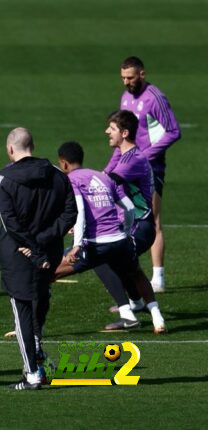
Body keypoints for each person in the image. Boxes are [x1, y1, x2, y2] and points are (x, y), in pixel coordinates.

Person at [0, 128, 77, 390]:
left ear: (10, 149)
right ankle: (38, 340)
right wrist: (45, 240)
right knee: (41, 295)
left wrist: (32, 245)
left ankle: (31, 374)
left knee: (21, 309)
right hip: (50, 252)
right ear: (33, 145)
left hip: (19, 254)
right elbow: (70, 213)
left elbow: (11, 225)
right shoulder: (57, 175)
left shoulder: (4, 180)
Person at [55, 141, 165, 333]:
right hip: (121, 239)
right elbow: (129, 207)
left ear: (63, 164)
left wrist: (77, 244)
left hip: (98, 244)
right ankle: (157, 318)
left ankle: (30, 326)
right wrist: (127, 232)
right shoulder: (103, 177)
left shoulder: (71, 181)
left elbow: (80, 211)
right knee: (136, 271)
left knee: (52, 272)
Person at [105, 56, 181, 292]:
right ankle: (132, 274)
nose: (126, 82)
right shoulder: (126, 97)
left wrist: (144, 156)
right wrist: (107, 171)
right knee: (127, 217)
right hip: (128, 164)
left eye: (130, 77)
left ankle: (158, 278)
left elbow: (173, 131)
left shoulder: (155, 98)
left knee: (153, 218)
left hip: (150, 167)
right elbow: (123, 137)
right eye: (123, 78)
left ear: (142, 74)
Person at [97, 110, 166, 333]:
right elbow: (103, 176)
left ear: (125, 133)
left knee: (109, 258)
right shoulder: (121, 153)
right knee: (126, 265)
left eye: (112, 128)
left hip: (142, 228)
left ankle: (131, 312)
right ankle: (146, 310)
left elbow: (105, 182)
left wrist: (76, 181)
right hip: (130, 225)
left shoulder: (133, 159)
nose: (107, 131)